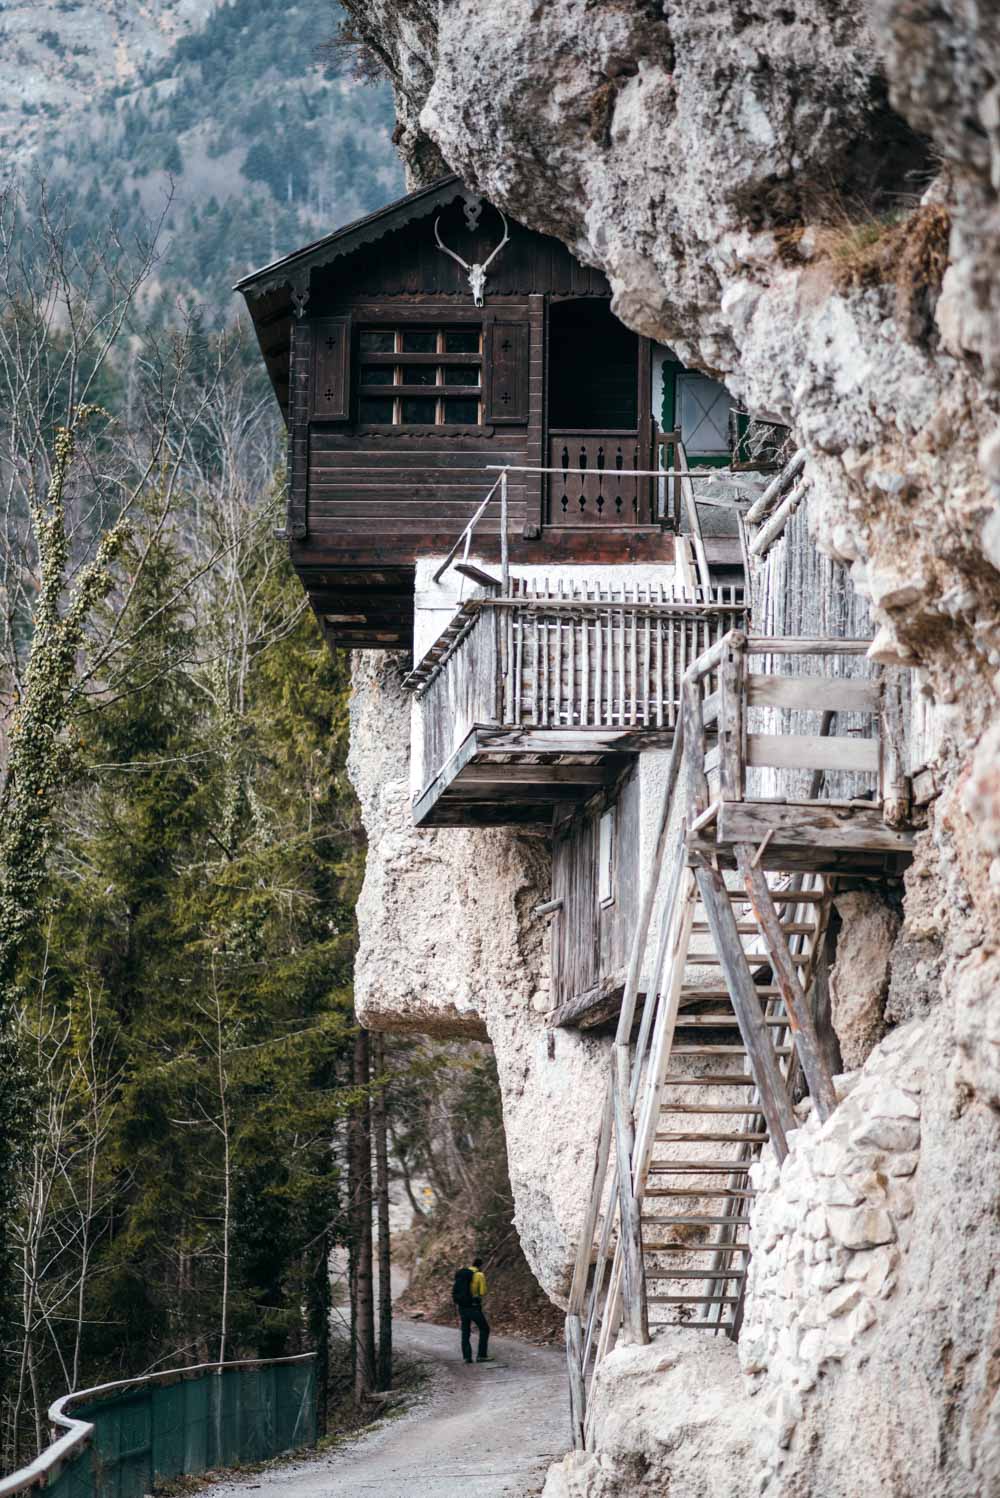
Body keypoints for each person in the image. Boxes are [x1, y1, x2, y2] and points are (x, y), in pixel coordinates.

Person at [452, 1256, 492, 1363]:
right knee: (484, 1329)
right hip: (473, 1307)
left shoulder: (463, 1275)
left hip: (462, 1307)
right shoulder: (479, 1275)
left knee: (465, 1332)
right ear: (480, 1266)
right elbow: (482, 1292)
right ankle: (481, 1355)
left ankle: (467, 1357)